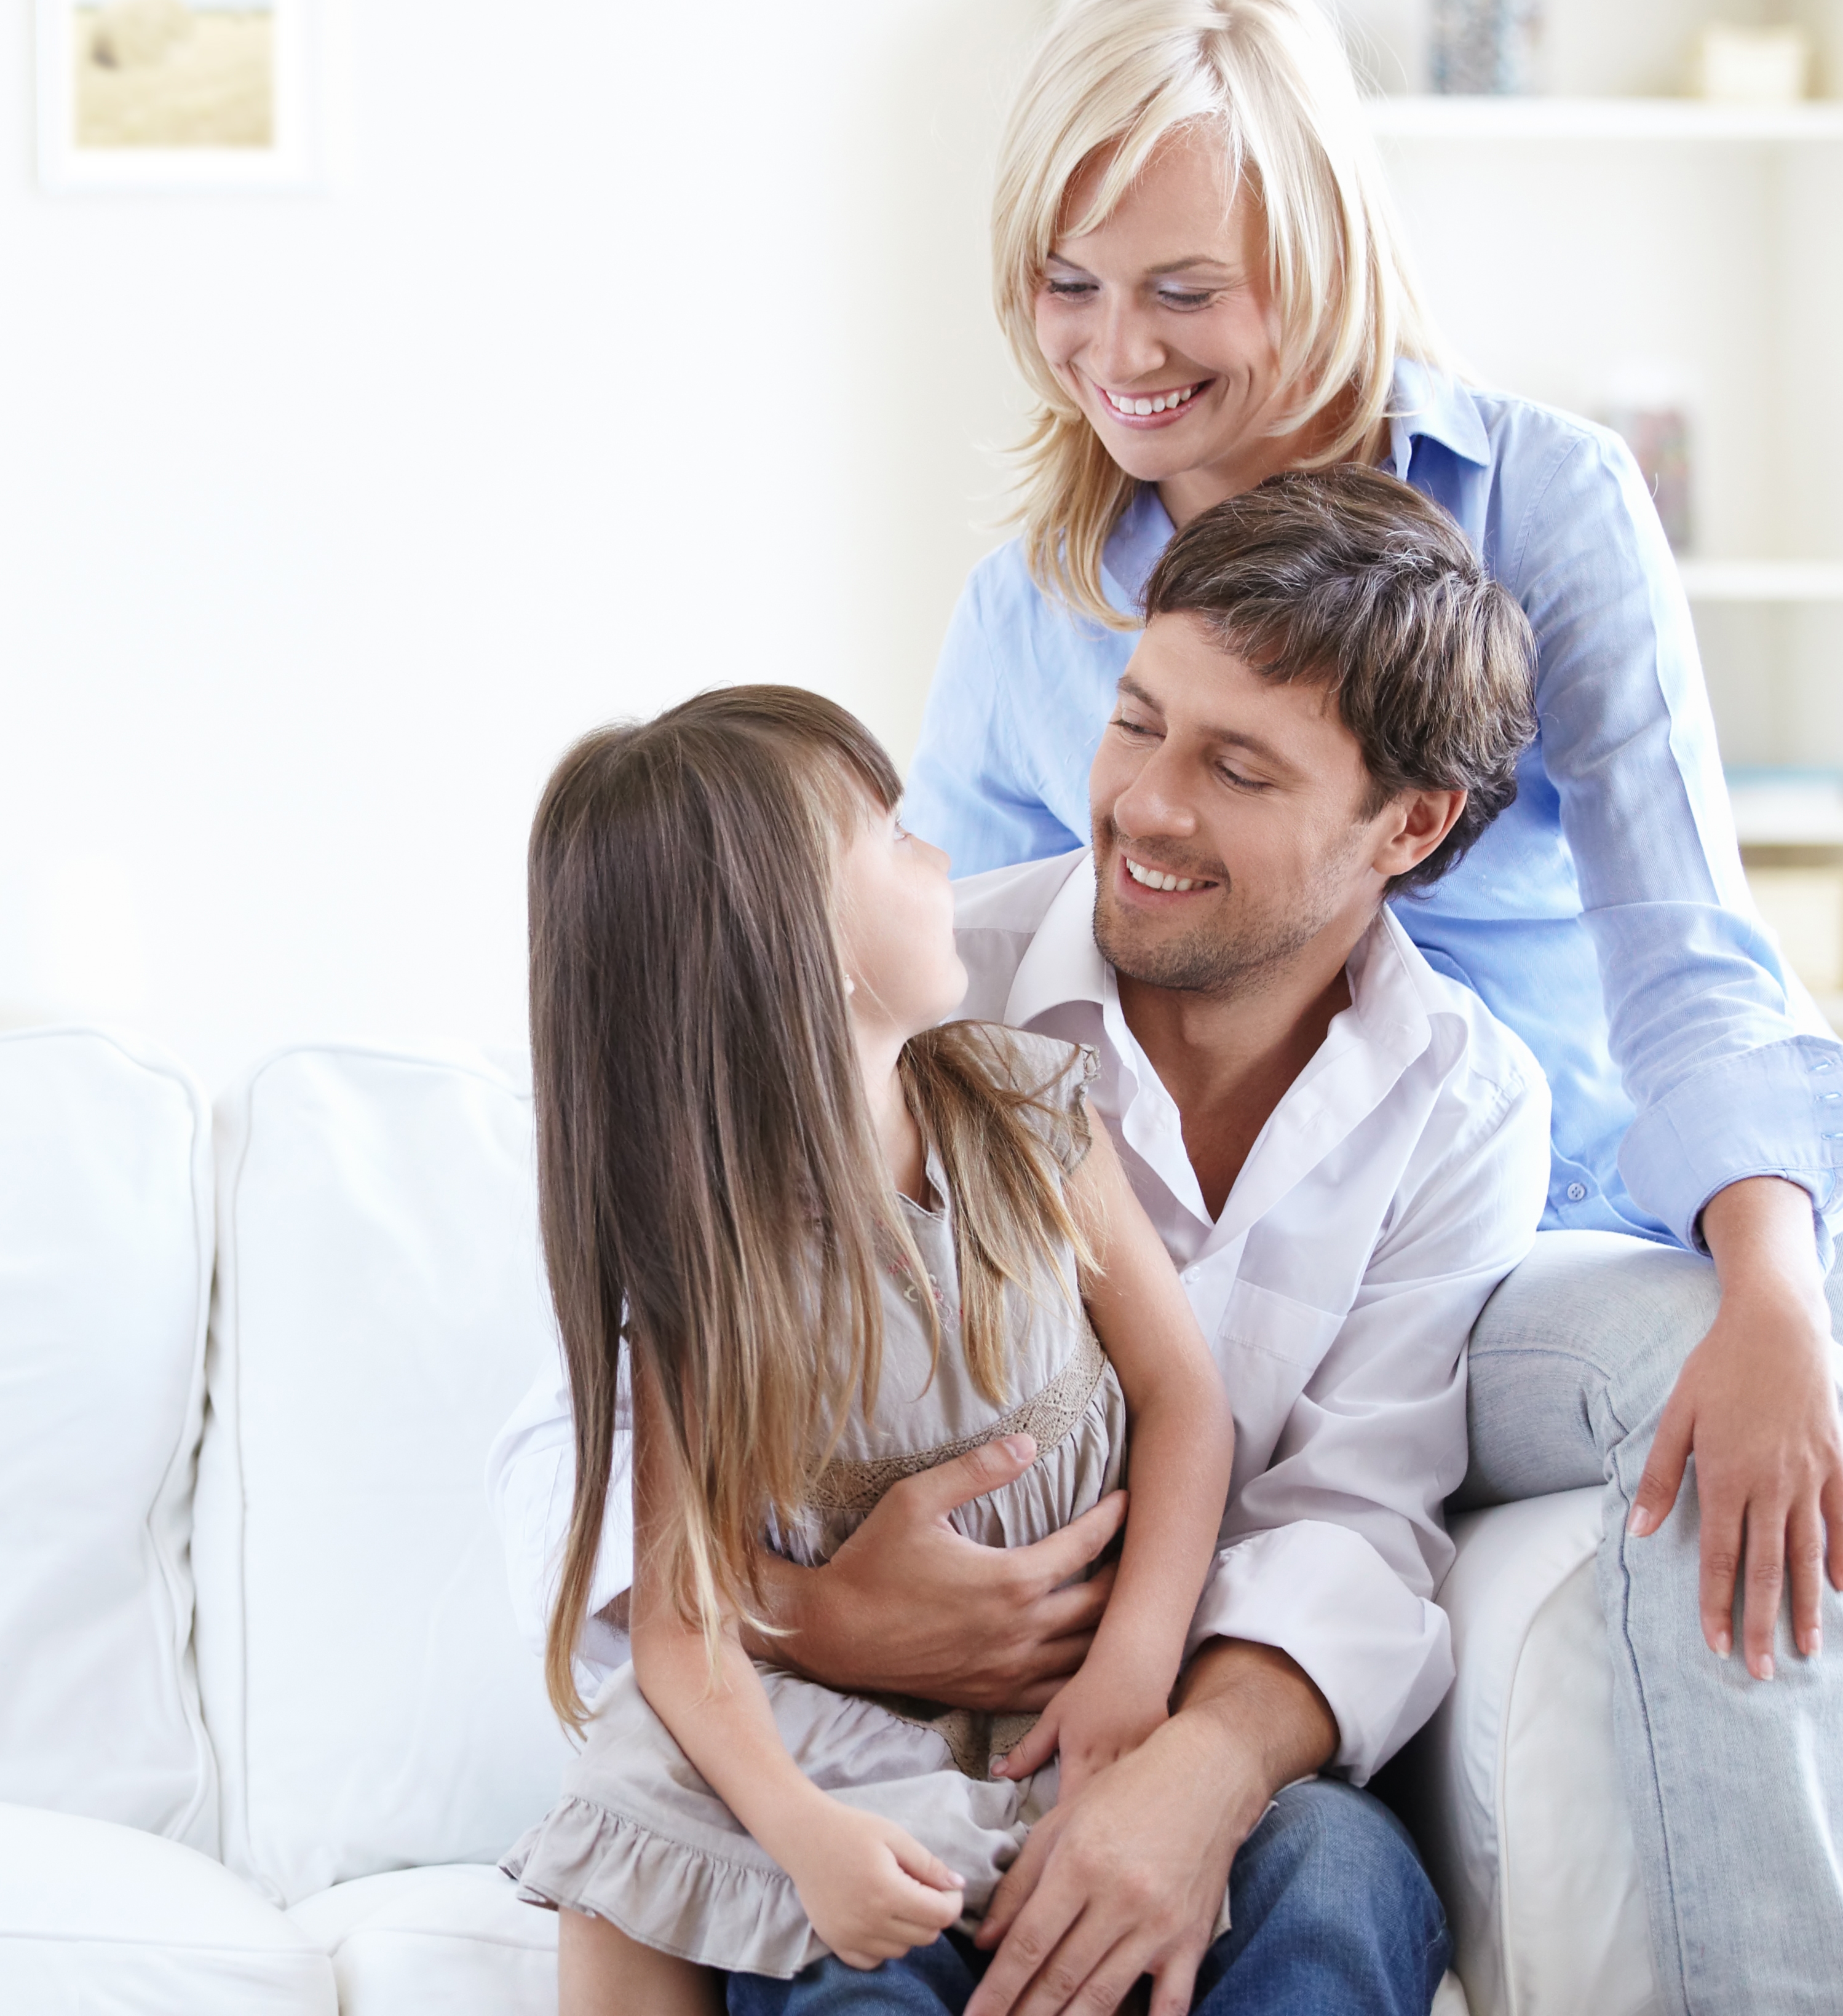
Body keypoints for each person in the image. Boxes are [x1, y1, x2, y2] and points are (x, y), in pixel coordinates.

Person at [906, 0, 1843, 2012]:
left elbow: (1691, 948)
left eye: (1179, 288)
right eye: (1064, 284)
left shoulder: (1547, 496)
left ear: (1312, 255)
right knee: (1710, 1478)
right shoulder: (1038, 611)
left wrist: (1771, 1282)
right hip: (1461, 1254)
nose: (1111, 354)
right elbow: (966, 1062)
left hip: (1730, 1184)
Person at [497, 468, 1552, 2012]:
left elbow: (1358, 1513)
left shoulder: (1461, 1107)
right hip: (862, 1743)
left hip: (1200, 1739)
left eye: (1239, 770)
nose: (1146, 804)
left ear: (1409, 822)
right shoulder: (893, 992)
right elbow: (578, 1454)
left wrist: (1192, 1758)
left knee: (1336, 1890)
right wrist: (820, 1617)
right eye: (1137, 723)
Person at [498, 682, 1236, 2011]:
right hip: (860, 1738)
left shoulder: (1024, 1112)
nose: (939, 852)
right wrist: (803, 1833)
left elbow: (1188, 1401)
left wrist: (1136, 1664)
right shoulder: (715, 1266)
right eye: (892, 836)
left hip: (1068, 1712)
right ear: (803, 946)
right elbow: (683, 1621)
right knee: (636, 1772)